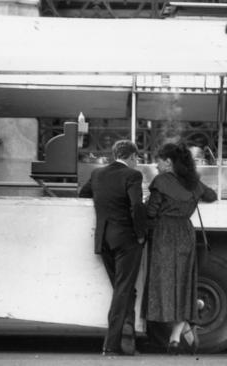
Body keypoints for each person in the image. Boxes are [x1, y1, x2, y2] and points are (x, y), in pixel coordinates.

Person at [145, 143, 217, 355]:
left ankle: (176, 332)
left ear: (168, 162)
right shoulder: (193, 183)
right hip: (185, 234)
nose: (156, 165)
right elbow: (211, 195)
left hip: (164, 235)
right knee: (183, 284)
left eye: (158, 160)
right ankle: (177, 335)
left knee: (164, 284)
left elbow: (151, 212)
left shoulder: (161, 181)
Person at [79, 140, 147, 356]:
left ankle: (128, 335)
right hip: (126, 240)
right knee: (123, 290)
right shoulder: (133, 176)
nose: (137, 162)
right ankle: (111, 344)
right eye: (137, 158)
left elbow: (83, 193)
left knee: (124, 289)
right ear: (132, 157)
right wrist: (140, 234)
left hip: (104, 240)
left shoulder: (98, 174)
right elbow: (137, 205)